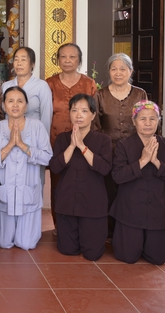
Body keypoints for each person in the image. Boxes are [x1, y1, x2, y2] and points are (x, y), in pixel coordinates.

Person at [110, 100, 165, 265]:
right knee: (127, 256)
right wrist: (143, 161)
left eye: (152, 118)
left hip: (159, 209)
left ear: (158, 121)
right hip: (130, 210)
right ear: (134, 121)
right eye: (142, 119)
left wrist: (157, 162)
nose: (148, 123)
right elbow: (117, 176)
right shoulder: (124, 145)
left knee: (159, 258)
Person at [0, 86, 52, 250]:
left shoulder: (37, 127)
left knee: (26, 244)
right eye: (10, 101)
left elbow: (47, 157)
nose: (15, 105)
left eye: (20, 101)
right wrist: (9, 146)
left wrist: (22, 145)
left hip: (28, 193)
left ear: (26, 106)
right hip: (4, 195)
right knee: (3, 243)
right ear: (3, 105)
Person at [49, 94, 112, 261]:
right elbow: (55, 167)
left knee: (93, 254)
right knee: (67, 250)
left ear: (93, 114)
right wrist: (72, 146)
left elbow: (104, 168)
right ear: (69, 113)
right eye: (74, 110)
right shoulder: (62, 138)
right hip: (67, 204)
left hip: (93, 207)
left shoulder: (103, 140)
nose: (78, 115)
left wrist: (82, 147)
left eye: (84, 111)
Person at [93, 53, 147, 239]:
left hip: (134, 153)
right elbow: (96, 126)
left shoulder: (140, 94)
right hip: (108, 152)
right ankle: (110, 233)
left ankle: (130, 231)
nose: (118, 73)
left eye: (122, 69)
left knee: (131, 193)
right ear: (109, 71)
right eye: (114, 69)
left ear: (130, 71)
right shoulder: (100, 95)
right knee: (109, 192)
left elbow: (146, 122)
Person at [46, 43, 97, 228]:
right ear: (58, 60)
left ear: (79, 60)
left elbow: (94, 114)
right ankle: (59, 225)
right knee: (58, 183)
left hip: (84, 141)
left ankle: (83, 222)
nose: (67, 60)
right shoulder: (49, 84)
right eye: (63, 57)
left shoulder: (89, 84)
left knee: (83, 181)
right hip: (56, 141)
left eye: (72, 57)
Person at [2, 46, 52, 188]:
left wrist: (43, 144)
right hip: (10, 137)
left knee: (32, 180)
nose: (19, 63)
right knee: (10, 179)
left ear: (32, 64)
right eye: (16, 59)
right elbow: (3, 115)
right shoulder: (6, 86)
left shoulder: (42, 86)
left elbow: (46, 116)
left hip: (34, 138)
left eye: (23, 60)